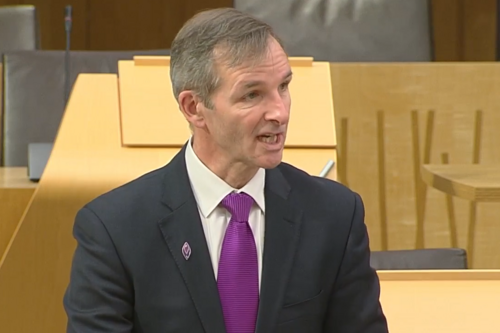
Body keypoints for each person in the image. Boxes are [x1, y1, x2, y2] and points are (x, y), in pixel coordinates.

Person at [63, 7, 388, 333]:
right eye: (252, 94)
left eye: (284, 86)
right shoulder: (114, 230)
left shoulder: (335, 216)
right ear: (194, 108)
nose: (280, 111)